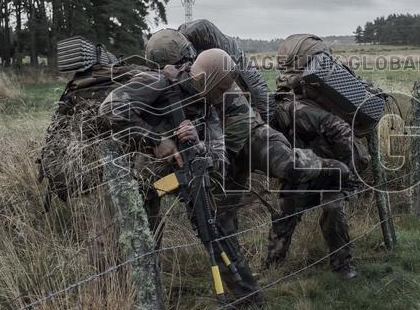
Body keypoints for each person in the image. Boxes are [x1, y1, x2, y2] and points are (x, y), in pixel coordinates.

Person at [143, 27, 350, 241]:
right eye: (168, 67)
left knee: (291, 166)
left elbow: (239, 118)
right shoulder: (157, 87)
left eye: (181, 63)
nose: (179, 69)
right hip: (215, 151)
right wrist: (160, 141)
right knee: (217, 222)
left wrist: (213, 159)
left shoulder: (211, 75)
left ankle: (335, 169)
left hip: (249, 137)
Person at [98, 48, 263, 306]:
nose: (223, 96)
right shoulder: (158, 82)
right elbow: (110, 107)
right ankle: (128, 303)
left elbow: (220, 159)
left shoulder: (207, 105)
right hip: (141, 179)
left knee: (214, 228)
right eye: (220, 89)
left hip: (184, 178)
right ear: (205, 80)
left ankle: (248, 300)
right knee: (138, 239)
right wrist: (156, 139)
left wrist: (198, 144)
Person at [267, 84, 366, 279]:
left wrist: (345, 171)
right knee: (286, 208)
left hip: (336, 165)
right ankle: (273, 266)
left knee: (333, 209)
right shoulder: (273, 122)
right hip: (309, 166)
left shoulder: (298, 113)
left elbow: (341, 129)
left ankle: (343, 265)